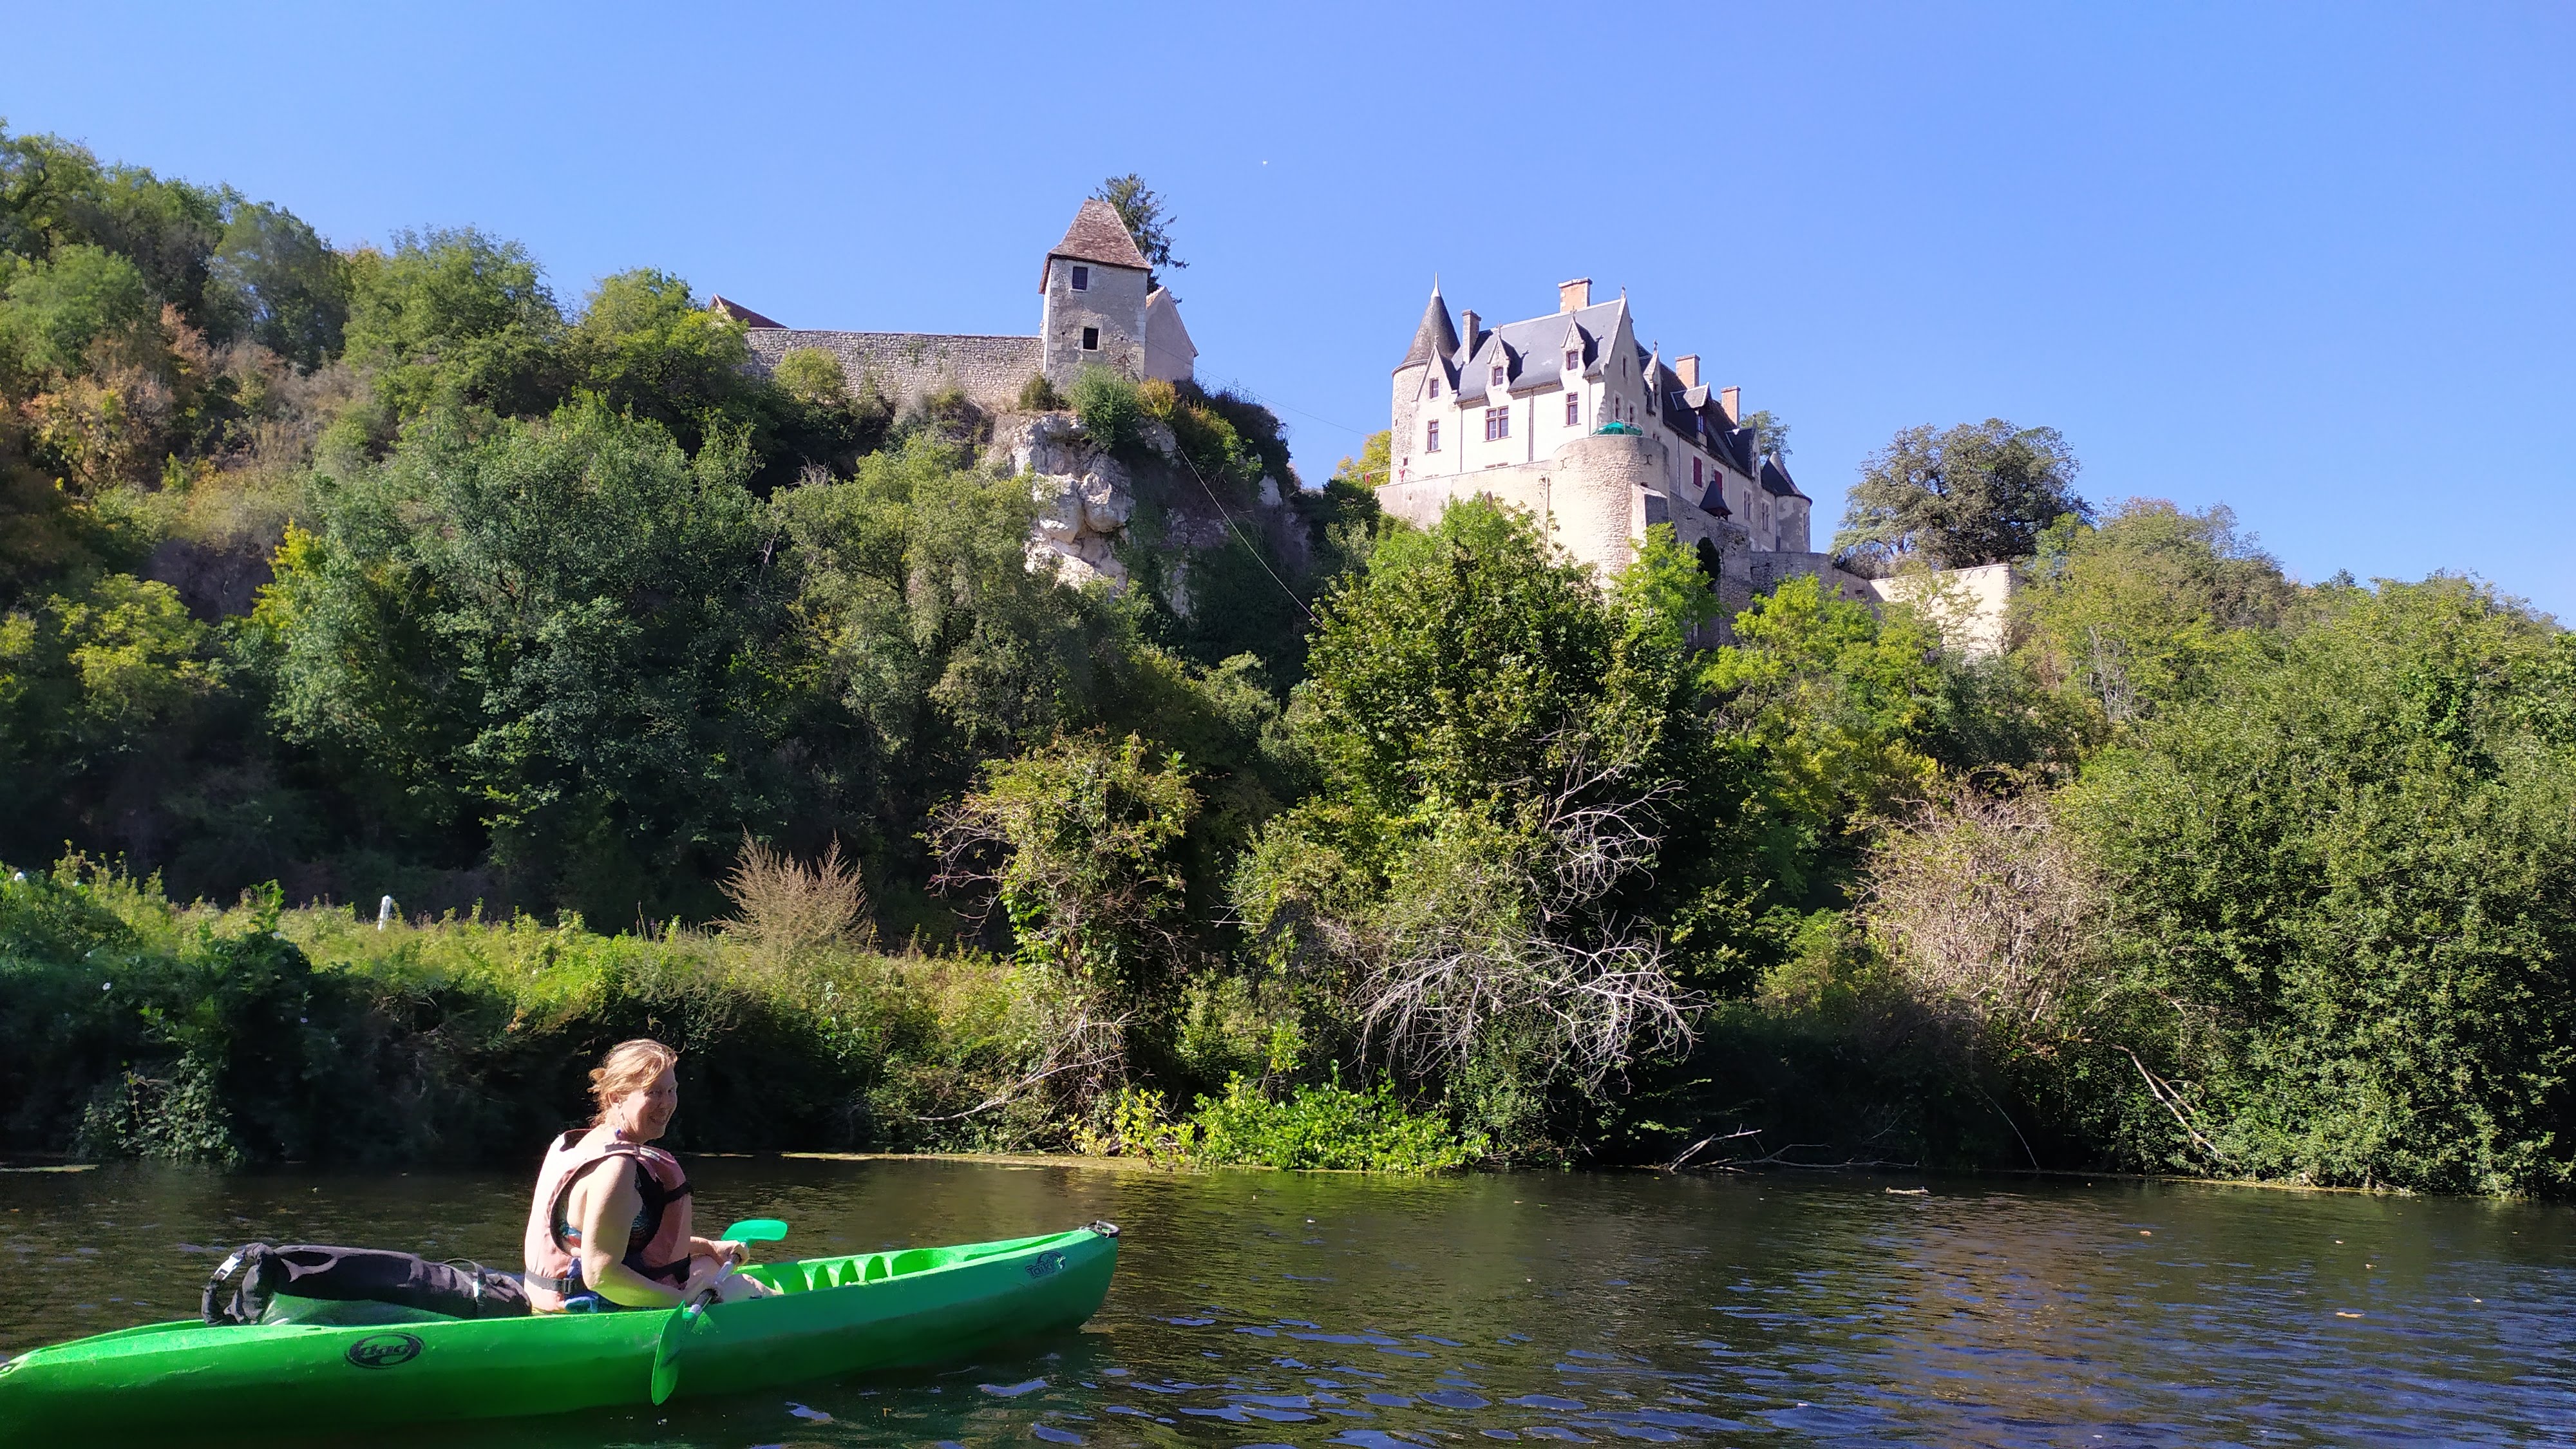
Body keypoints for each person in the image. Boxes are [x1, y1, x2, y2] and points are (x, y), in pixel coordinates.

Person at [521, 1039, 775, 1312]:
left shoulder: (572, 1145)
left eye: (671, 1091)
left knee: (707, 1264)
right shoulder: (616, 1168)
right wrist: (683, 1301)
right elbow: (601, 1276)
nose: (666, 1104)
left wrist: (708, 1247)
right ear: (615, 1098)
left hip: (549, 1300)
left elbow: (608, 1242)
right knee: (747, 1286)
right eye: (654, 1093)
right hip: (589, 1310)